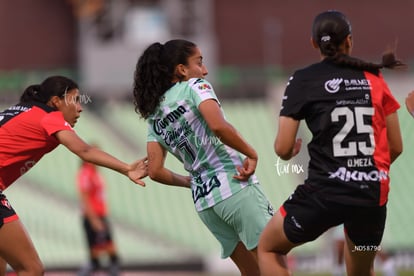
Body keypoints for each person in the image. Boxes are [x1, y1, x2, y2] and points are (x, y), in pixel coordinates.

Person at [258, 10, 403, 276]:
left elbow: (282, 147)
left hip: (324, 195)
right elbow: (396, 146)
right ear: (349, 41)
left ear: (314, 43)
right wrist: (364, 172)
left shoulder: (304, 79)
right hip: (369, 196)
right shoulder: (375, 78)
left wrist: (291, 151)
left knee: (268, 248)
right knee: (361, 269)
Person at [132, 39, 274, 275]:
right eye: (199, 62)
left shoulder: (154, 117)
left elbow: (155, 171)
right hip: (234, 185)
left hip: (205, 202)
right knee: (273, 260)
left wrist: (189, 181)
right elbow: (218, 126)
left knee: (252, 272)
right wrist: (251, 152)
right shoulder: (195, 86)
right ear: (182, 69)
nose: (204, 70)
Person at [0, 75, 147, 276]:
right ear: (55, 102)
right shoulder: (50, 116)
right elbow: (84, 150)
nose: (80, 107)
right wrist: (126, 168)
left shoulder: (20, 111)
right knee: (31, 269)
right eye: (75, 100)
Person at [76, 156, 120, 276]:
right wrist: (93, 219)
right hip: (94, 217)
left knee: (109, 251)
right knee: (98, 253)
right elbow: (84, 197)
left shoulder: (95, 173)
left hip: (100, 215)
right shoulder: (86, 173)